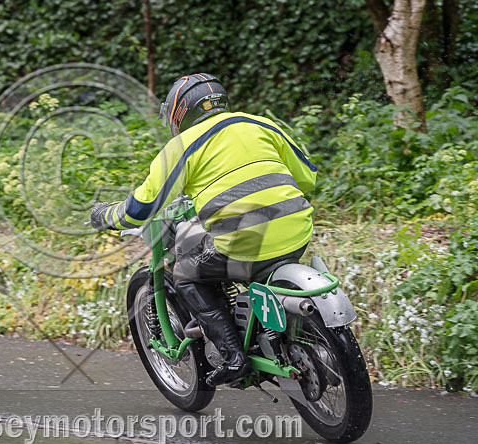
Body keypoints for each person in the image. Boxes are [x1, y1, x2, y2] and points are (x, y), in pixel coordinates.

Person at [89, 73, 317, 386]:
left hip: (244, 243)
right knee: (245, 261)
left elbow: (142, 207)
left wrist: (106, 215)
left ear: (179, 114)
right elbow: (307, 177)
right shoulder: (260, 123)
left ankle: (234, 357)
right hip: (297, 229)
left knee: (186, 272)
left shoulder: (182, 146)